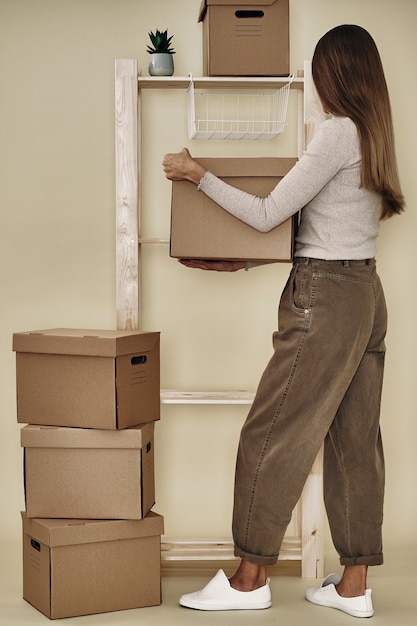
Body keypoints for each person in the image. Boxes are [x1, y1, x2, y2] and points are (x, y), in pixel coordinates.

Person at [162, 24, 404, 618]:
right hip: (365, 293)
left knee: (268, 434)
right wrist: (239, 258)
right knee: (355, 441)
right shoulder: (372, 134)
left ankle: (248, 580)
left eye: (321, 73)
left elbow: (271, 212)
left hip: (323, 297)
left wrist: (198, 176)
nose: (318, 86)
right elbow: (321, 222)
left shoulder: (333, 134)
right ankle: (353, 587)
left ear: (334, 75)